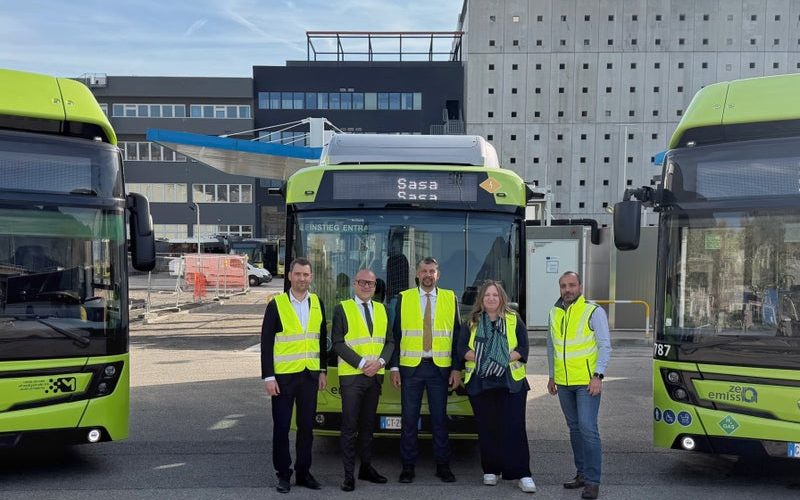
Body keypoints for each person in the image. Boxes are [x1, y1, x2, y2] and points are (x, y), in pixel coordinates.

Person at [458, 280, 537, 493]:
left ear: (501, 298)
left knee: (514, 428)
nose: (491, 298)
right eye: (487, 296)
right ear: (481, 300)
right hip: (481, 382)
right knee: (487, 428)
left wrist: (501, 358)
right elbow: (461, 348)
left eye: (495, 295)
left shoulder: (513, 319)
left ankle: (522, 474)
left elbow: (523, 347)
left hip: (511, 382)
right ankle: (491, 470)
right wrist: (484, 358)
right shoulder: (471, 322)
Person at [389, 256, 461, 483]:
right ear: (418, 274)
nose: (428, 275)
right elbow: (396, 335)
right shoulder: (405, 298)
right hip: (411, 369)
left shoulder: (450, 298)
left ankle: (443, 465)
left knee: (439, 419)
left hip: (439, 369)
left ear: (437, 275)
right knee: (409, 419)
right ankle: (408, 466)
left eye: (432, 271)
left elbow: (457, 335)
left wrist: (456, 369)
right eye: (424, 271)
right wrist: (394, 367)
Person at [260, 257, 327, 494]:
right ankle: (283, 474)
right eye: (297, 274)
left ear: (311, 277)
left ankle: (303, 472)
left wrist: (322, 371)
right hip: (283, 378)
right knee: (281, 428)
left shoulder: (317, 302)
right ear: (289, 276)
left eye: (306, 275)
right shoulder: (276, 304)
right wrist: (268, 377)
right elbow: (266, 344)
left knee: (307, 428)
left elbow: (320, 340)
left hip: (309, 376)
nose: (302, 279)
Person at [547, 271, 612, 500]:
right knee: (574, 429)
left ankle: (593, 481)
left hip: (586, 383)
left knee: (588, 429)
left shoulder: (593, 311)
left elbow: (604, 346)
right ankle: (582, 474)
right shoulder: (555, 312)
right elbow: (551, 346)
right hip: (563, 383)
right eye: (564, 286)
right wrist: (552, 375)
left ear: (580, 287)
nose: (568, 289)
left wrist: (598, 376)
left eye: (572, 285)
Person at [331, 268, 395, 492]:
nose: (367, 286)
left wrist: (380, 363)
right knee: (349, 427)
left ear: (375, 287)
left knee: (368, 426)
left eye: (371, 283)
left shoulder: (383, 309)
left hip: (375, 376)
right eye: (362, 282)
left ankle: (366, 468)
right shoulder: (342, 309)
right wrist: (361, 364)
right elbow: (337, 343)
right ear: (354, 285)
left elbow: (390, 342)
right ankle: (349, 476)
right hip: (352, 377)